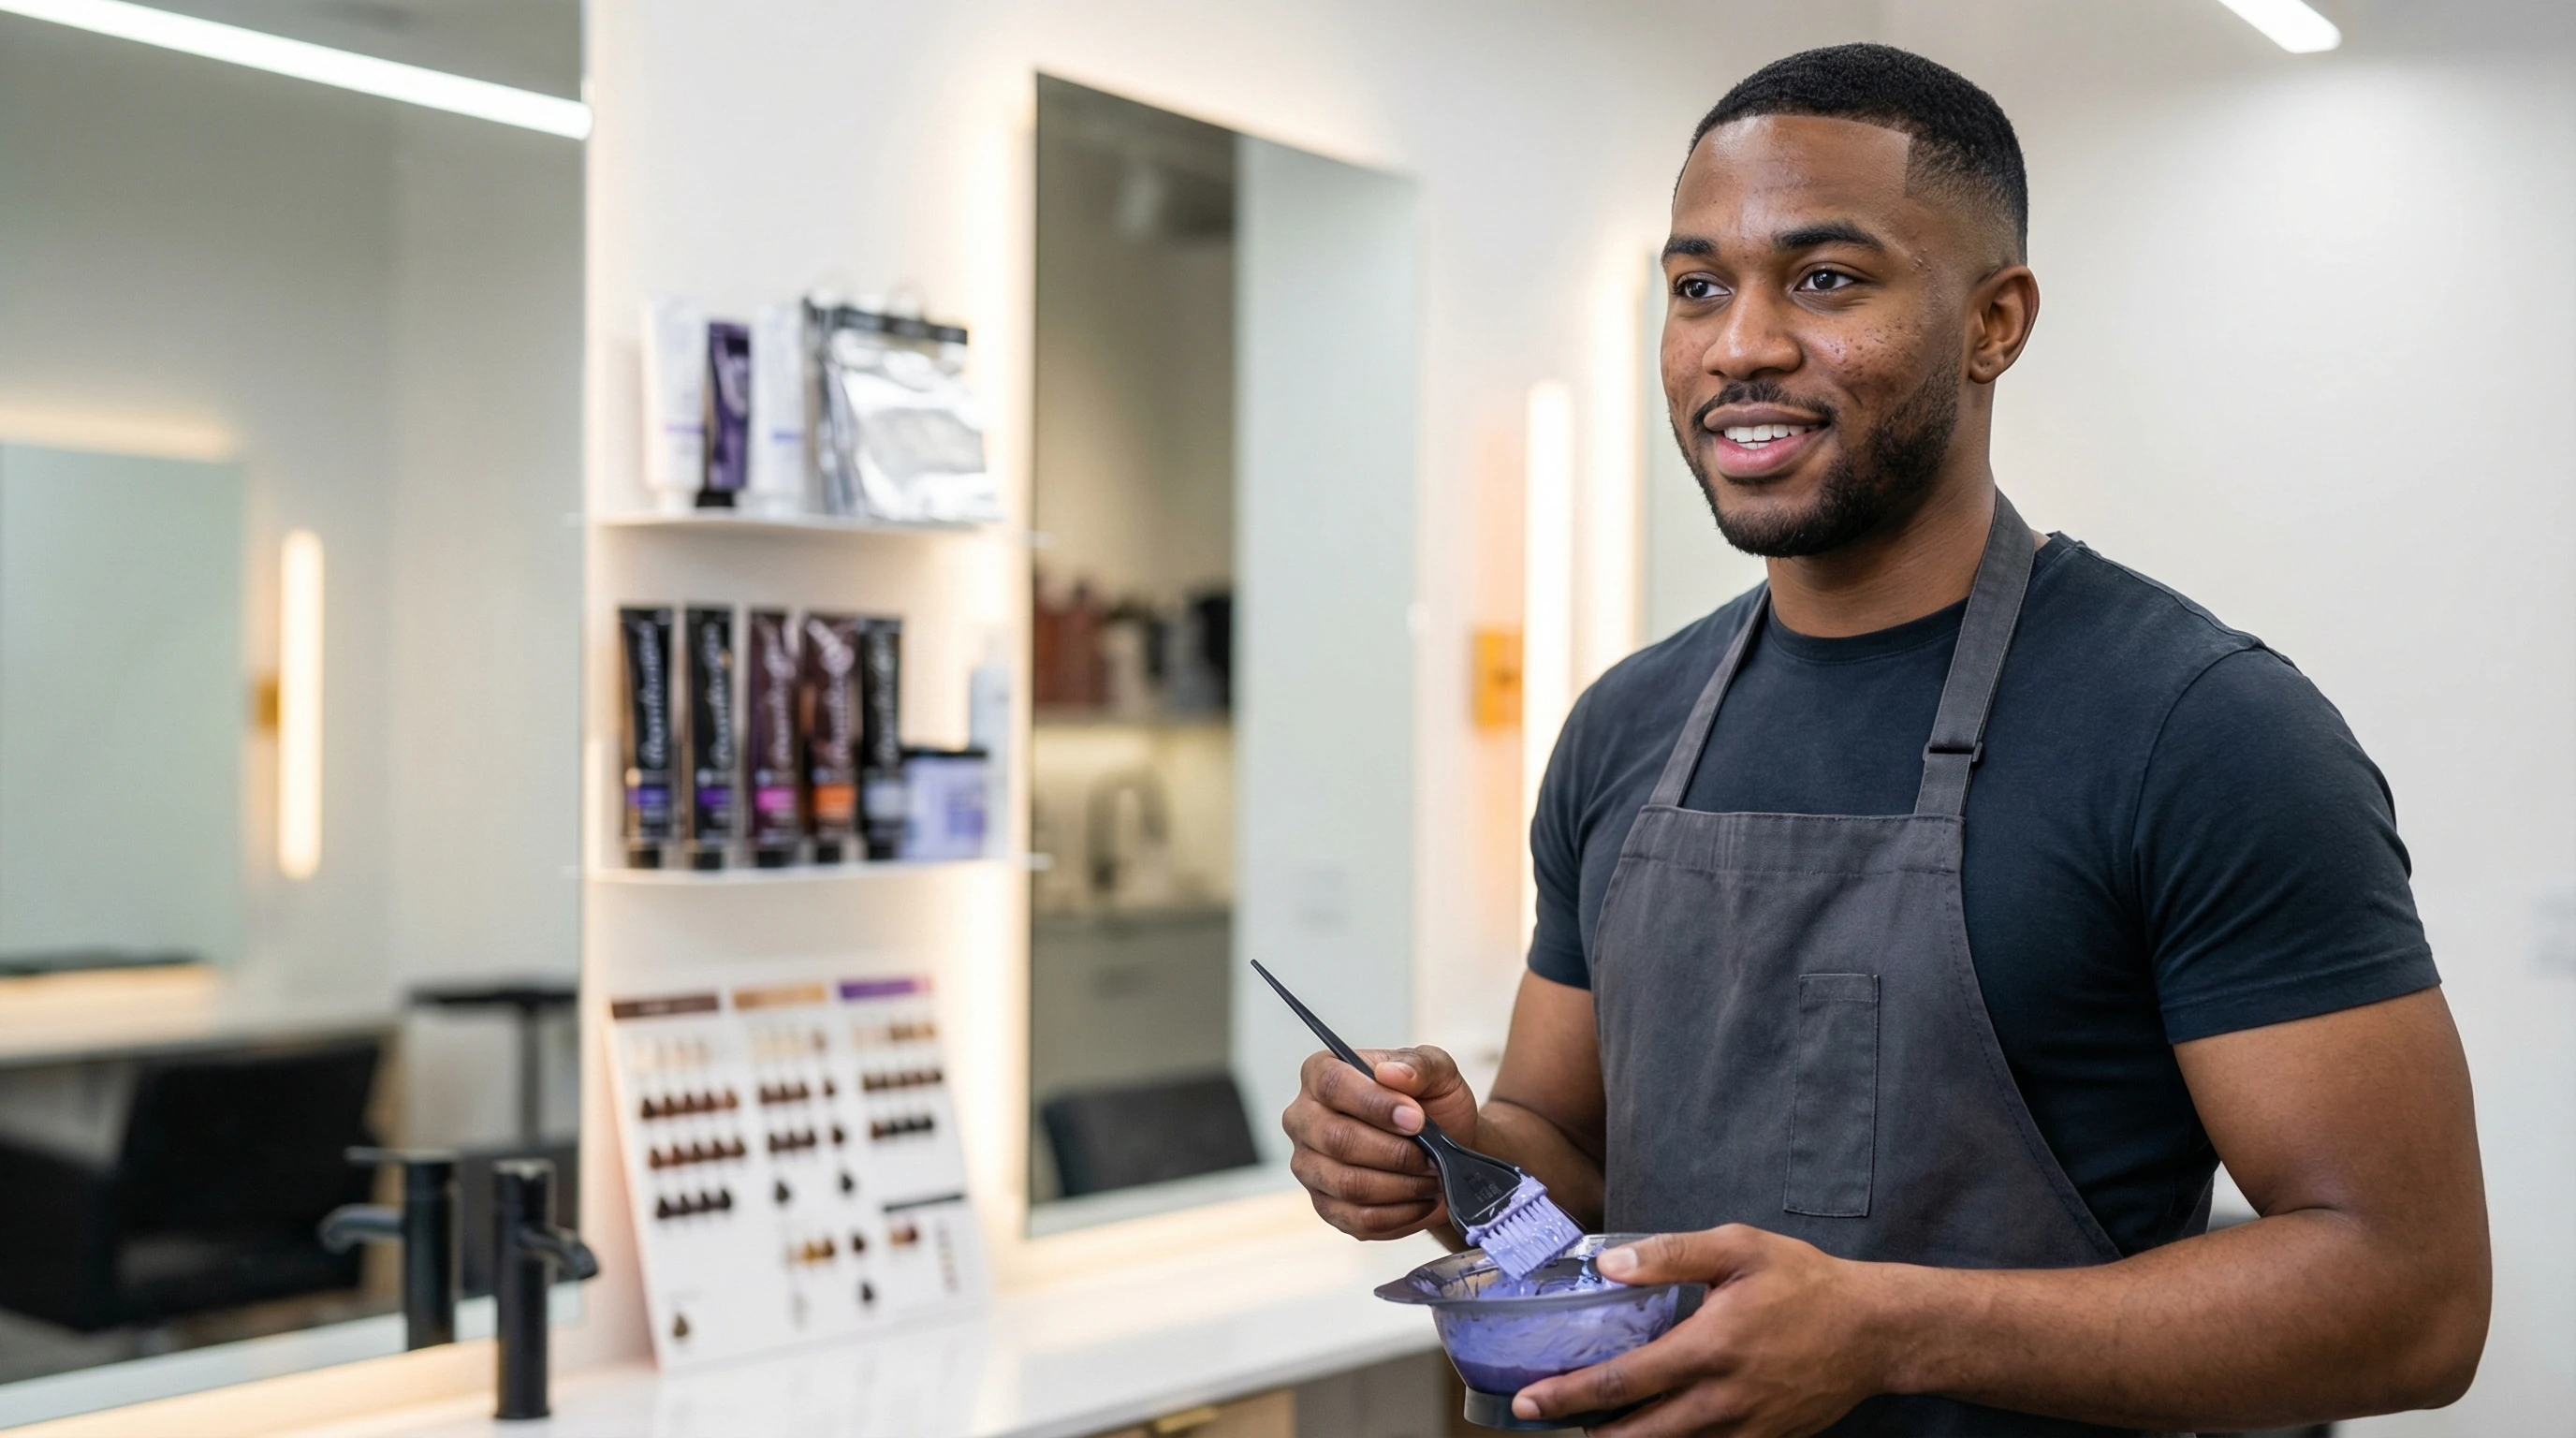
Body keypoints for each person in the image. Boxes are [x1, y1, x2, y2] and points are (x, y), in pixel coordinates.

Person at [1281, 43, 2489, 1438]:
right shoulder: (1627, 725)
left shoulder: (2200, 731)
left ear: (1996, 322)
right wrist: (1450, 1158)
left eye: (1827, 279)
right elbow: (1581, 1166)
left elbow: (2413, 1296)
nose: (1741, 344)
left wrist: (1889, 1329)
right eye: (1696, 288)